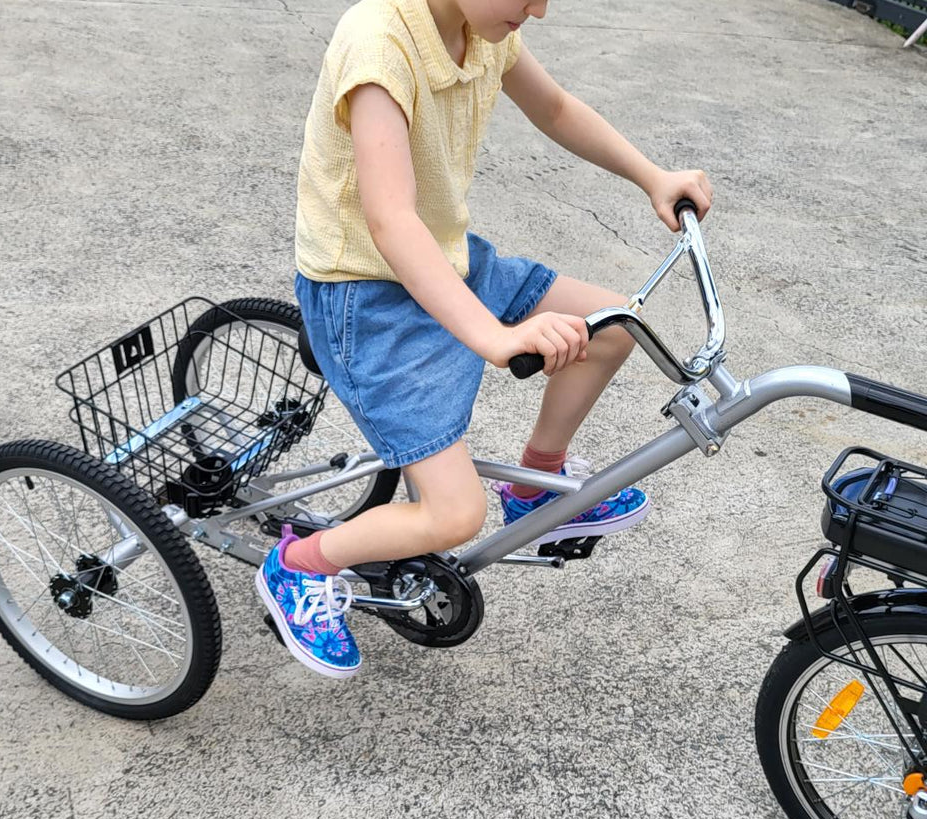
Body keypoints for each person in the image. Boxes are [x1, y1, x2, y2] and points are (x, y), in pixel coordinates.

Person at [257, 0, 713, 679]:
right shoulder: (380, 42)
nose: (541, 10)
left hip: (450, 262)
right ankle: (297, 565)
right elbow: (389, 221)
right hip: (369, 296)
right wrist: (494, 336)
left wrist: (653, 176)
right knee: (453, 514)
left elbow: (554, 108)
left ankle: (537, 485)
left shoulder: (482, 27)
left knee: (613, 326)